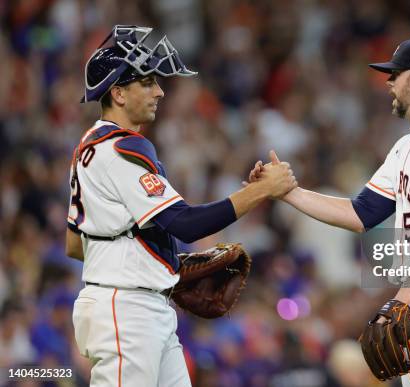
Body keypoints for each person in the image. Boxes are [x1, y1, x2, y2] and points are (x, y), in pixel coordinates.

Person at [249, 37, 410, 386]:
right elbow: (361, 214)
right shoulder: (407, 145)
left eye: (395, 74)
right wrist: (289, 193)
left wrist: (406, 292)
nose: (388, 83)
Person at [66, 25, 296, 387]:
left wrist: (159, 263)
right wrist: (263, 191)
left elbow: (75, 244)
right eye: (148, 83)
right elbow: (185, 224)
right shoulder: (120, 149)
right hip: (126, 312)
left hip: (139, 307)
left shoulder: (91, 145)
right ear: (119, 93)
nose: (159, 91)